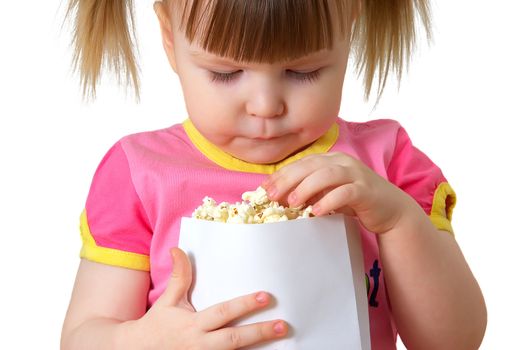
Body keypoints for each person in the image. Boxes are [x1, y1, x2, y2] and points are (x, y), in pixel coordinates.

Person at [60, 0, 487, 349]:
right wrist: (142, 342)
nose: (265, 106)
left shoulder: (387, 163)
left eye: (303, 71)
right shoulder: (140, 174)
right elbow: (84, 336)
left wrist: (396, 220)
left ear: (350, 27)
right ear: (171, 40)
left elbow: (455, 340)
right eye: (225, 73)